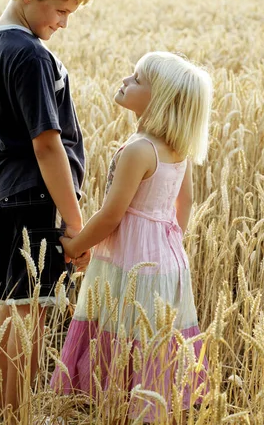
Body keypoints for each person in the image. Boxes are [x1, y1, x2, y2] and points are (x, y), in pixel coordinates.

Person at [0, 0, 94, 418]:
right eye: (60, 11)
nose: (62, 23)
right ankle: (12, 413)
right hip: (33, 196)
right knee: (28, 311)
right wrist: (76, 222)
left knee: (12, 303)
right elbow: (46, 143)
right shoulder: (31, 55)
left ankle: (4, 411)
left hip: (3, 193)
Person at [51, 51, 212, 423]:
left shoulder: (140, 149)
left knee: (120, 329)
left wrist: (76, 246)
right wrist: (166, 241)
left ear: (160, 100)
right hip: (165, 256)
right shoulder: (178, 149)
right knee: (150, 336)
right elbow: (183, 204)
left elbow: (111, 213)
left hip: (130, 257)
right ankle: (147, 405)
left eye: (137, 79)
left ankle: (116, 405)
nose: (126, 80)